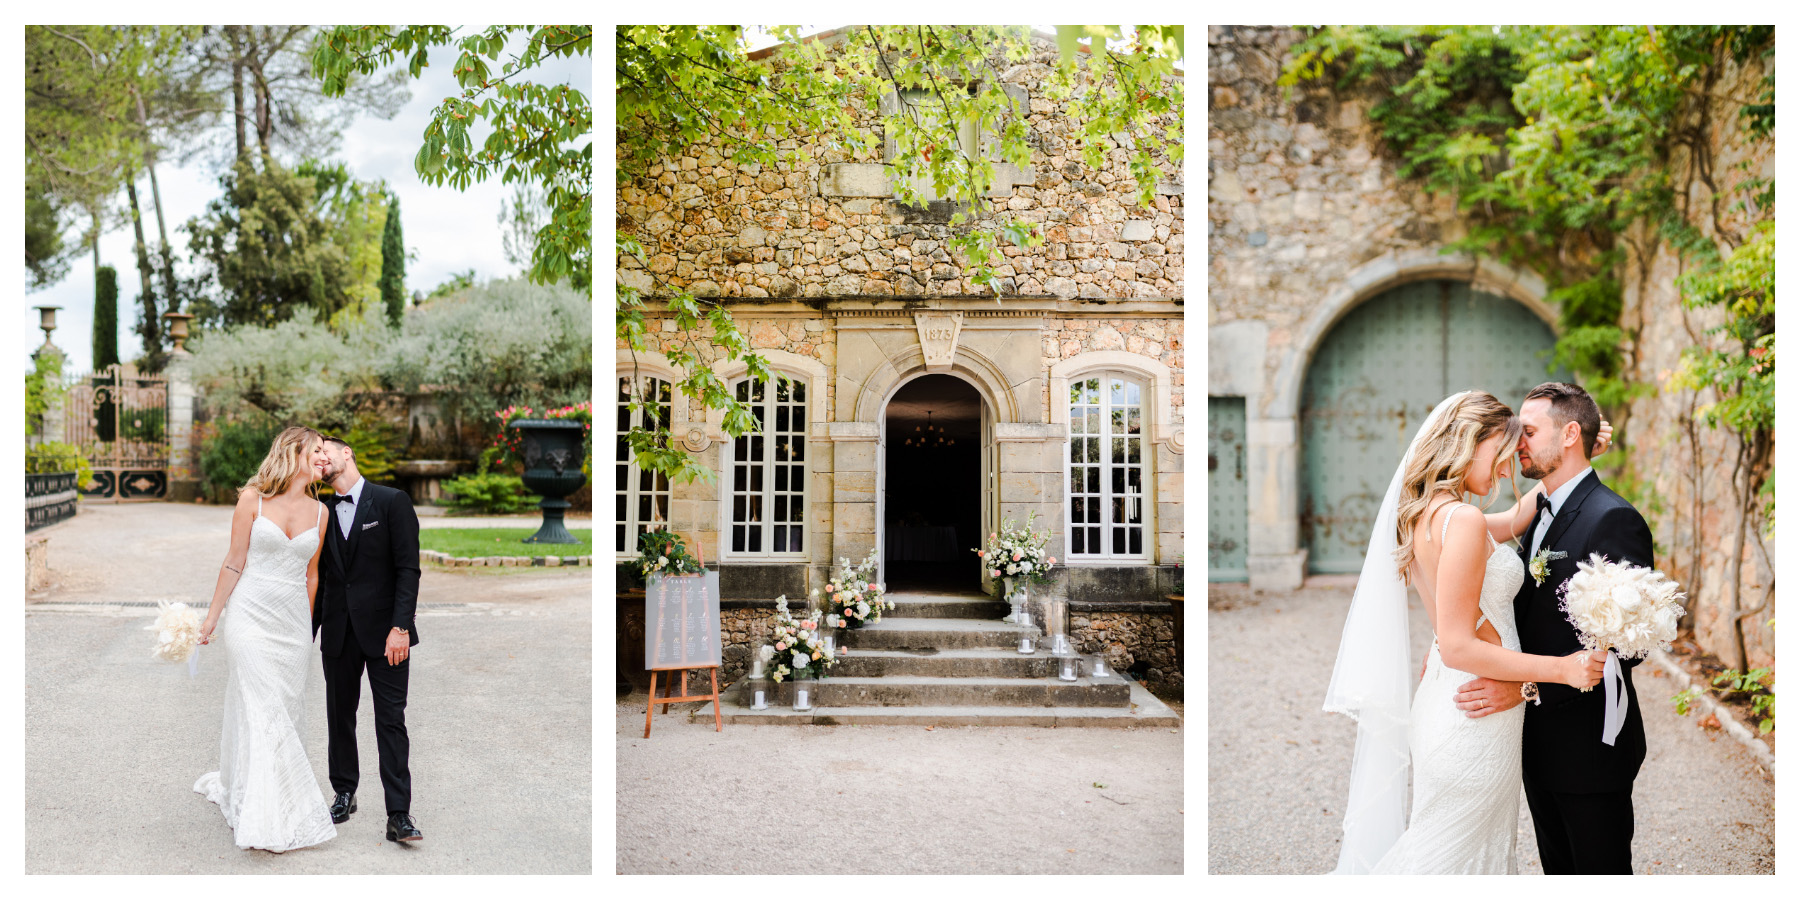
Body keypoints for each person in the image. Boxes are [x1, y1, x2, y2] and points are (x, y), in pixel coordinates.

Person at [1324, 390, 1616, 874]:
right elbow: (1459, 645)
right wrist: (1561, 669)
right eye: (1501, 456)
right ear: (1469, 442)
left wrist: (1578, 454)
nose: (1506, 472)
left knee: (1457, 848)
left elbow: (1521, 516)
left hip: (1452, 700)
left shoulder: (1427, 513)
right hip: (1474, 710)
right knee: (1449, 856)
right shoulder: (1460, 519)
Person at [1450, 382, 1655, 874]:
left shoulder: (1613, 519)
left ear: (1567, 435)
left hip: (1588, 750)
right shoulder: (1540, 509)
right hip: (1537, 746)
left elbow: (1627, 646)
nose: (1516, 440)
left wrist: (1524, 688)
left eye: (1528, 430)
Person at [195, 426, 337, 853]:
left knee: (285, 711)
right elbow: (234, 562)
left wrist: (306, 629)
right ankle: (262, 813)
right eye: (316, 452)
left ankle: (268, 796)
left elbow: (311, 576)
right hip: (250, 618)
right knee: (263, 709)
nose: (322, 460)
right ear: (294, 453)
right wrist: (212, 617)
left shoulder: (320, 513)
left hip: (292, 626)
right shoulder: (251, 500)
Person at [314, 434, 424, 843]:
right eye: (315, 456)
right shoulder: (320, 511)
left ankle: (399, 813)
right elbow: (320, 580)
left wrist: (401, 628)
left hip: (386, 635)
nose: (320, 459)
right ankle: (344, 791)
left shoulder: (392, 501)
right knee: (339, 716)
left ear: (347, 453)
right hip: (338, 634)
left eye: (324, 451)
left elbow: (407, 570)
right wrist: (302, 636)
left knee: (390, 721)